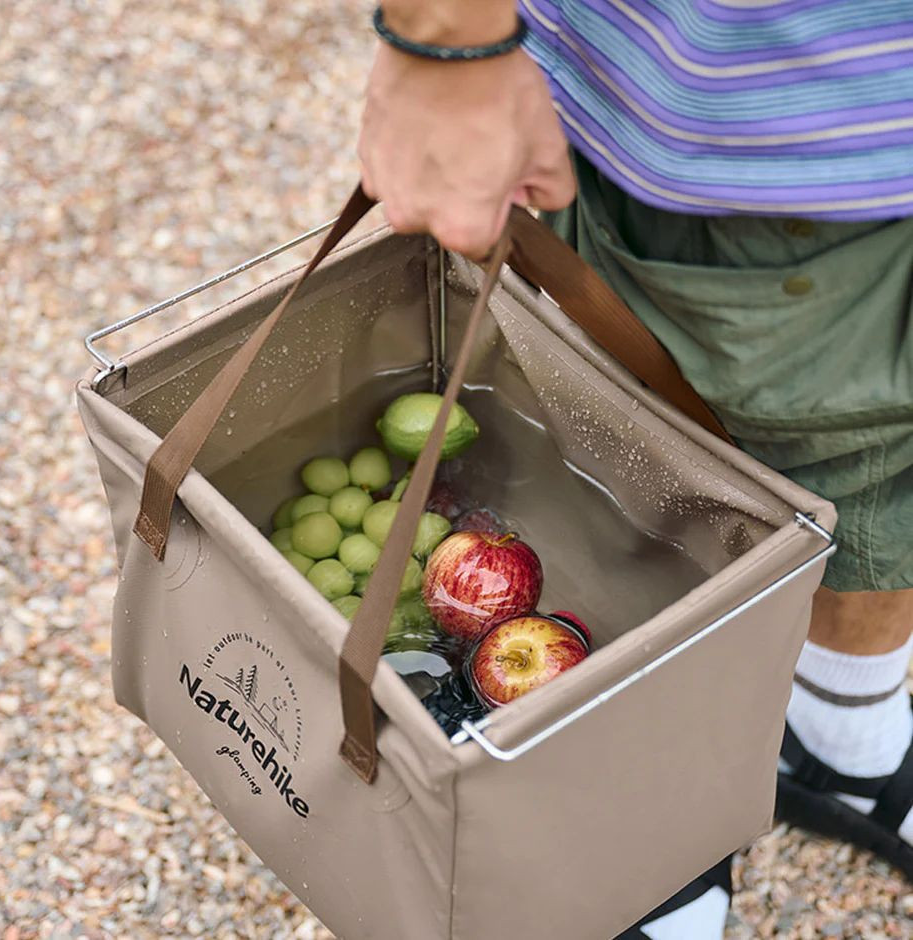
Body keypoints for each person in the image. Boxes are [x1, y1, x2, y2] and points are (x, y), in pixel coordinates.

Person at [358, 1, 913, 936]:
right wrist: (446, 44)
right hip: (749, 142)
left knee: (884, 480)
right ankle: (650, 831)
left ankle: (840, 734)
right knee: (658, 472)